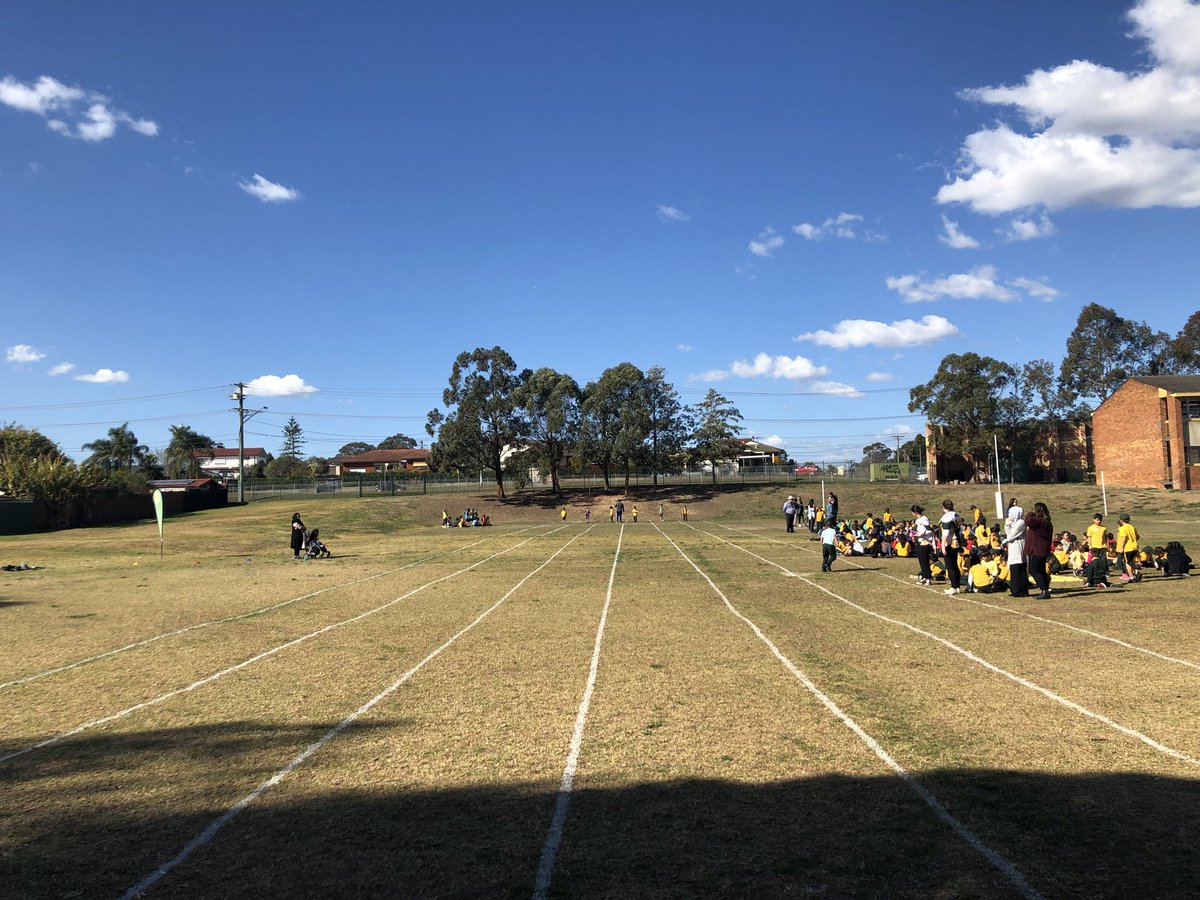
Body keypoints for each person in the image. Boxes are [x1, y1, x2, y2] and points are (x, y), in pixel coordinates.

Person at [1025, 502, 1054, 599]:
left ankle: (1044, 590)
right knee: (1041, 570)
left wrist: (1030, 513)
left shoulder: (1039, 522)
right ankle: (1045, 588)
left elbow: (1028, 521)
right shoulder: (1047, 522)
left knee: (1033, 570)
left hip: (1037, 549)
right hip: (1043, 550)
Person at [939, 500, 965, 595]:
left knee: (950, 566)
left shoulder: (947, 517)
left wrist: (943, 545)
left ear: (944, 507)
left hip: (950, 542)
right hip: (956, 541)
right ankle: (957, 585)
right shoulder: (956, 515)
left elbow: (945, 532)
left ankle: (954, 586)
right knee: (954, 564)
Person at [1003, 504, 1029, 596]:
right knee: (1014, 570)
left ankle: (1020, 590)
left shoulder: (1021, 523)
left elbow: (1010, 537)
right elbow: (1008, 533)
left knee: (1019, 570)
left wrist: (1008, 527)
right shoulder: (1014, 523)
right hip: (1014, 547)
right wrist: (1007, 524)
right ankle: (1016, 590)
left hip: (1019, 547)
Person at [910, 504, 935, 585]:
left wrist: (914, 534)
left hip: (925, 542)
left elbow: (924, 532)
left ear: (915, 512)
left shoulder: (923, 520)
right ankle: (924, 577)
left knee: (924, 561)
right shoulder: (918, 520)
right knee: (921, 561)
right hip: (920, 542)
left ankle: (928, 578)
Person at [1116, 513, 1141, 582]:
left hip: (1128, 548)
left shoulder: (1122, 528)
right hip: (1135, 547)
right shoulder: (1132, 527)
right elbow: (1138, 536)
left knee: (1127, 562)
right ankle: (1135, 573)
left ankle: (1132, 577)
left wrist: (1121, 548)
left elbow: (1124, 538)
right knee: (1131, 561)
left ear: (1121, 520)